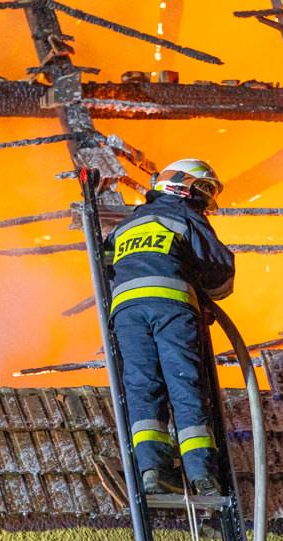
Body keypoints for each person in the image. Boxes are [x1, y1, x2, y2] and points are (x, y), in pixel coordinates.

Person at [104, 159, 234, 496]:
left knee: (142, 387)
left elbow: (105, 269)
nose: (205, 200)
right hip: (171, 309)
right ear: (182, 185)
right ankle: (202, 475)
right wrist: (201, 288)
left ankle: (152, 471)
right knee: (184, 383)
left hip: (127, 315)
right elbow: (220, 273)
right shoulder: (186, 216)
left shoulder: (125, 226)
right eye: (203, 190)